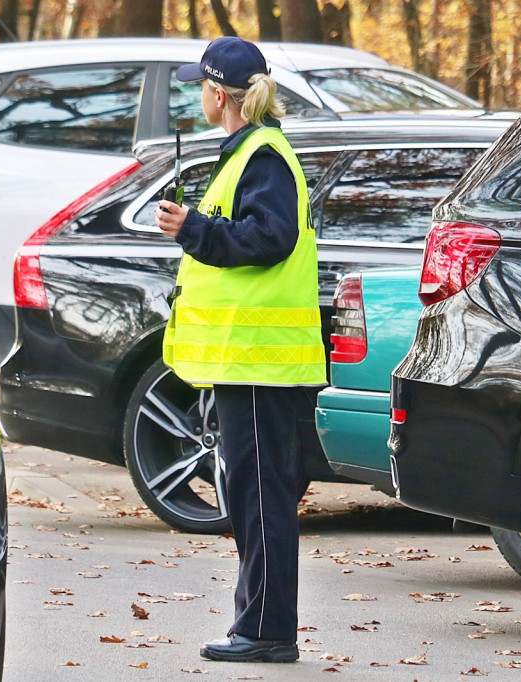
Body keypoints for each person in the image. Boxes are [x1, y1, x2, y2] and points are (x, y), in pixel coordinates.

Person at [154, 36, 326, 664]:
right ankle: (260, 625)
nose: (199, 96)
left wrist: (192, 229)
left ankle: (265, 631)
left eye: (200, 86)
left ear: (219, 93)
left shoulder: (263, 154)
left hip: (259, 362)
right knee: (254, 493)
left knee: (259, 496)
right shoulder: (250, 152)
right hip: (248, 360)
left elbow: (271, 237)